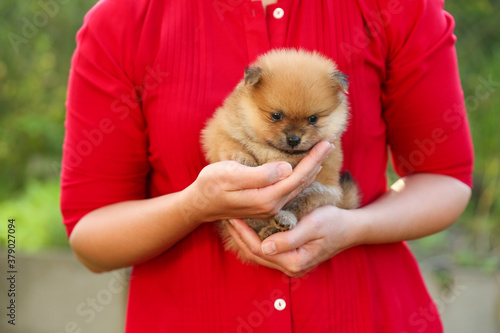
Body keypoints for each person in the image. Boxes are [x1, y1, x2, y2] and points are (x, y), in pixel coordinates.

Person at [61, 0, 473, 331]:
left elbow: (446, 178)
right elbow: (90, 236)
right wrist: (194, 206)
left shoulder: (396, 8)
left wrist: (354, 228)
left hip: (368, 315)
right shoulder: (122, 23)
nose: (294, 135)